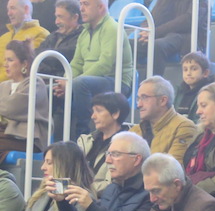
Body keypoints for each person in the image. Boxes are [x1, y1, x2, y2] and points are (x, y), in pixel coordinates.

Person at [54, 0, 133, 137]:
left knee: (80, 83)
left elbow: (104, 65)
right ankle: (52, 140)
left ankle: (83, 133)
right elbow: (77, 63)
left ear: (100, 7)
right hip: (89, 81)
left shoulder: (112, 28)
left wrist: (71, 83)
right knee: (51, 89)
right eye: (81, 4)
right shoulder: (84, 32)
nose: (81, 8)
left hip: (116, 80)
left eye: (86, 4)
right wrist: (65, 81)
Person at [22, 140, 94, 211]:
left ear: (64, 166)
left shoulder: (83, 199)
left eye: (49, 163)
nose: (43, 167)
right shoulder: (40, 194)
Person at [130, 76, 197, 165]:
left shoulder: (184, 127)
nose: (139, 105)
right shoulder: (135, 130)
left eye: (145, 97)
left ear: (163, 100)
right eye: (138, 99)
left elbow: (172, 168)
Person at [0, 40, 47, 162]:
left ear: (24, 64)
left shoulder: (35, 83)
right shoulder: (3, 86)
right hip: (6, 135)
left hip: (28, 139)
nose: (5, 64)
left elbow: (12, 108)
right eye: (5, 60)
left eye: (10, 60)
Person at [76, 92, 129, 195]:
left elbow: (113, 184)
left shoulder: (127, 144)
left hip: (104, 200)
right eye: (93, 111)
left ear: (115, 113)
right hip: (79, 196)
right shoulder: (84, 140)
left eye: (99, 111)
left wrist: (81, 189)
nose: (93, 116)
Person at [139, 0, 208, 76]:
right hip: (165, 36)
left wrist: (155, 32)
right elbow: (153, 17)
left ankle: (152, 82)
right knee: (131, 46)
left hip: (186, 38)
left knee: (157, 45)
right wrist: (146, 31)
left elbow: (188, 20)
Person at [0, 0, 48, 84]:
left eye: (13, 8)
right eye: (8, 9)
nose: (9, 13)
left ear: (26, 9)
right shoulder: (3, 38)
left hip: (19, 86)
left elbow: (26, 68)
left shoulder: (40, 34)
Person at [35, 0, 81, 76]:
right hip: (43, 77)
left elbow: (59, 58)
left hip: (62, 80)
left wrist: (43, 58)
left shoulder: (81, 36)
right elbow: (35, 53)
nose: (57, 22)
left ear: (74, 17)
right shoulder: (54, 35)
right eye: (56, 17)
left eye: (60, 17)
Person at [174, 51, 214, 124]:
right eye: (185, 69)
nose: (188, 73)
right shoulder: (178, 92)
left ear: (205, 73)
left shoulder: (209, 93)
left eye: (194, 69)